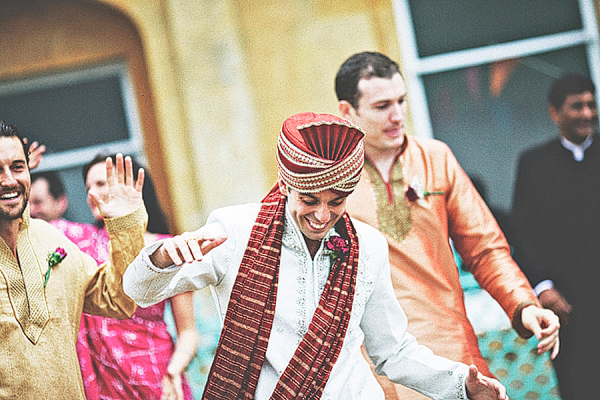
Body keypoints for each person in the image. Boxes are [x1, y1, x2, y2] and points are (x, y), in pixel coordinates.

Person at [123, 112, 509, 400]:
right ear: (286, 184)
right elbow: (137, 291)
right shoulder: (233, 231)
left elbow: (392, 351)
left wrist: (460, 382)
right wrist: (160, 257)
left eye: (336, 202)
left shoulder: (368, 246)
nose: (322, 216)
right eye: (309, 200)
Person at [335, 52, 560, 399]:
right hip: (371, 364)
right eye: (382, 106)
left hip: (450, 350)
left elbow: (484, 247)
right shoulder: (329, 178)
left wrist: (524, 303)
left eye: (401, 101)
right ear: (348, 112)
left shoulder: (436, 158)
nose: (397, 116)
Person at [0, 120, 146, 398]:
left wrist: (126, 225)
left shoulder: (51, 238)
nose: (9, 180)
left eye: (17, 167)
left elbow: (117, 299)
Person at [50, 154, 198, 399]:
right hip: (102, 385)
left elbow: (188, 332)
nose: (91, 194)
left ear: (130, 186)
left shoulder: (165, 249)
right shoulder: (79, 241)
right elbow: (27, 226)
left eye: (101, 184)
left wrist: (174, 371)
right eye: (88, 187)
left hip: (155, 378)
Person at [511, 73, 598, 400]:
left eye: (591, 104)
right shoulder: (534, 164)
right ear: (555, 112)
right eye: (577, 106)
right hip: (567, 304)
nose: (587, 113)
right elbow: (523, 232)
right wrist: (543, 286)